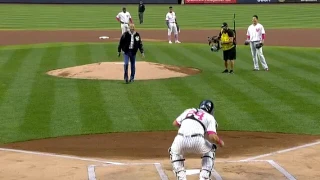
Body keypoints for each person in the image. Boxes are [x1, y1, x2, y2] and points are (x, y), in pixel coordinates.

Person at [168, 100, 225, 180]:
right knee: (210, 149)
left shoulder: (189, 111)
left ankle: (181, 177)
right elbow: (212, 136)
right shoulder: (210, 117)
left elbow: (175, 123)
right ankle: (204, 177)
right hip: (197, 141)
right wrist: (220, 142)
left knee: (174, 151)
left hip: (180, 139)